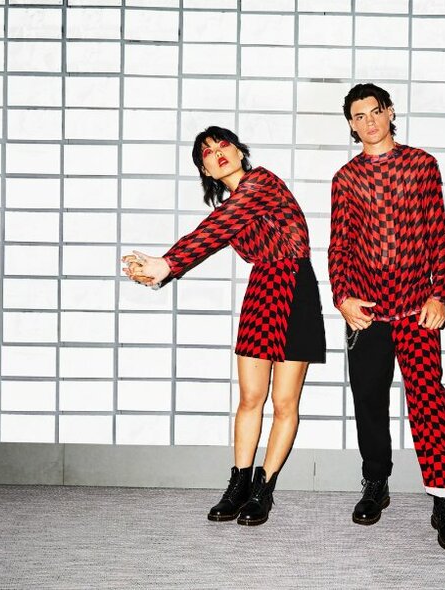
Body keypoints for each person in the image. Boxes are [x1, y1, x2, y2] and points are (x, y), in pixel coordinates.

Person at [122, 126, 325, 526]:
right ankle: (239, 484)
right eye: (208, 153)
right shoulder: (228, 209)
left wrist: (166, 264)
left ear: (238, 150)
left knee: (284, 403)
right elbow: (214, 231)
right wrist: (160, 271)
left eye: (223, 145)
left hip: (295, 286)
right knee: (250, 398)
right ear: (206, 170)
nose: (218, 153)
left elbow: (216, 229)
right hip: (263, 290)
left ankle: (263, 491)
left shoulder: (262, 182)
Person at [328, 83, 445, 551]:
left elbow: (438, 236)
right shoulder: (345, 179)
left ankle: (444, 500)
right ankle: (375, 483)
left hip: (415, 309)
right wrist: (344, 299)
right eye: (359, 116)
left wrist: (439, 294)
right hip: (366, 312)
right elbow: (339, 247)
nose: (368, 122)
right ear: (351, 124)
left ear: (389, 113)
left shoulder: (422, 165)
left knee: (427, 399)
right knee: (368, 400)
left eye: (375, 112)